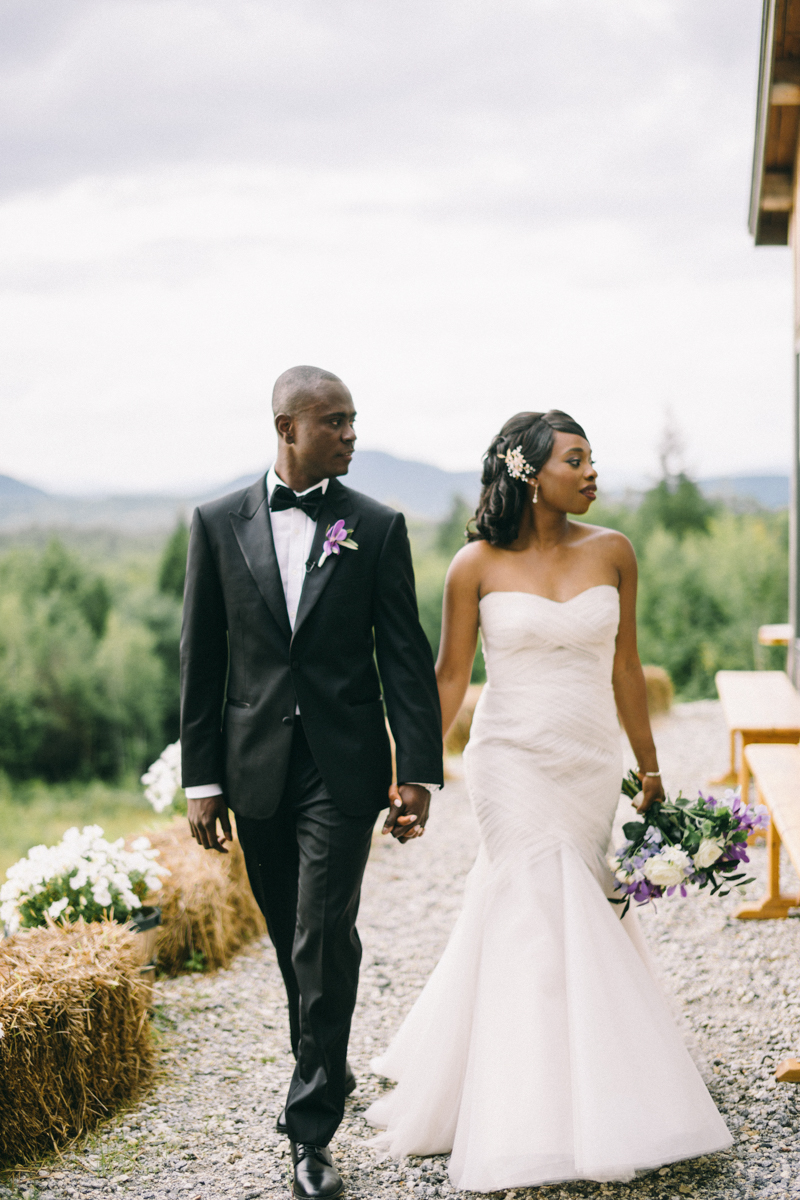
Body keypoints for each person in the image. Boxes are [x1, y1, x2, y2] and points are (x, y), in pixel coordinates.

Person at [365, 410, 732, 1192]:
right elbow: (449, 679)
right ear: (533, 474)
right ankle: (526, 1110)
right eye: (577, 459)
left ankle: (600, 1081)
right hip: (509, 760)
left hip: (588, 760)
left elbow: (628, 668)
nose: (594, 472)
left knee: (580, 903)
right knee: (534, 898)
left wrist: (652, 770)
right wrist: (415, 774)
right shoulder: (474, 566)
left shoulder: (616, 553)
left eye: (594, 458)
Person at [179, 365, 443, 1200]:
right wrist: (201, 780)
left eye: (355, 421)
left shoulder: (377, 525)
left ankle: (311, 1130)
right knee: (303, 947)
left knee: (322, 932)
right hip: (255, 767)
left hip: (345, 766)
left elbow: (404, 658)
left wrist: (418, 773)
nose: (352, 435)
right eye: (336, 422)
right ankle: (323, 1060)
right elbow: (203, 658)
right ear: (288, 429)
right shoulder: (217, 521)